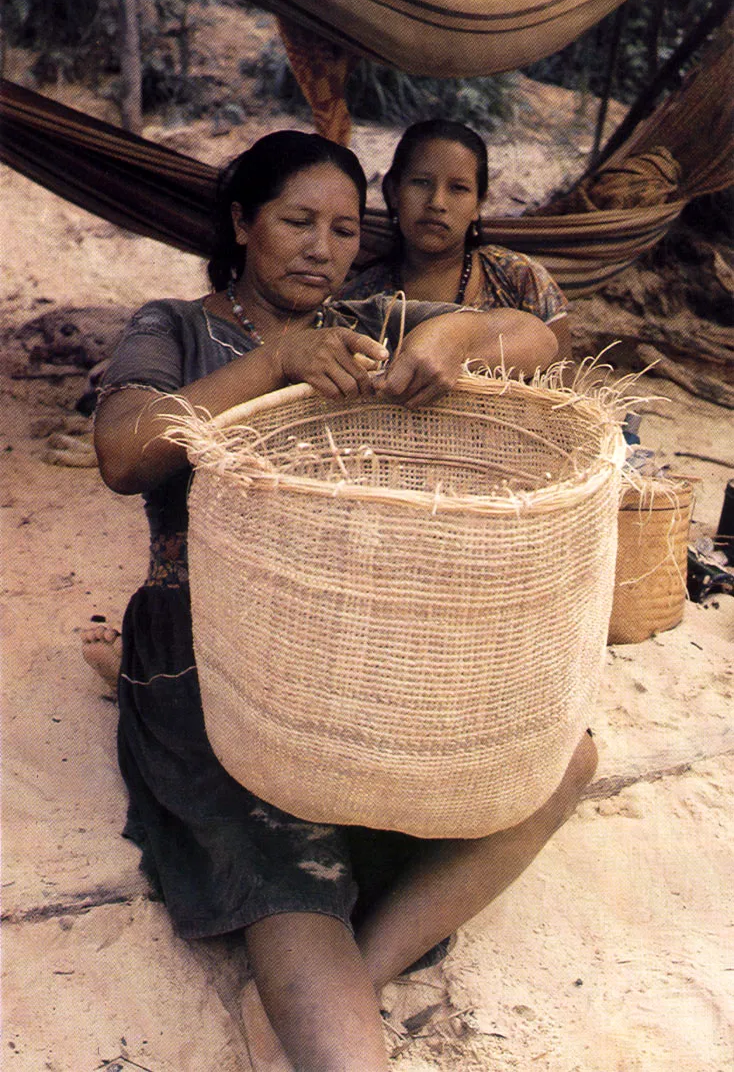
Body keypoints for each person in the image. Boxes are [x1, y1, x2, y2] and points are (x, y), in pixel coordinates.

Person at [87, 130, 596, 1072]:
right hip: (211, 648)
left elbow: (544, 338)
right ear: (241, 224)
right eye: (295, 221)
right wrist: (274, 366)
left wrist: (451, 333)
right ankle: (337, 1021)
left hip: (360, 640)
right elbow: (123, 450)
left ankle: (359, 969)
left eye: (341, 227)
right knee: (295, 855)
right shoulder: (177, 327)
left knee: (557, 763)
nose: (323, 248)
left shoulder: (369, 318)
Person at [343, 118, 574, 363]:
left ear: (478, 204)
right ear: (393, 191)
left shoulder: (519, 278)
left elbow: (562, 388)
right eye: (421, 182)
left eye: (458, 188)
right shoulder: (362, 300)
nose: (437, 202)